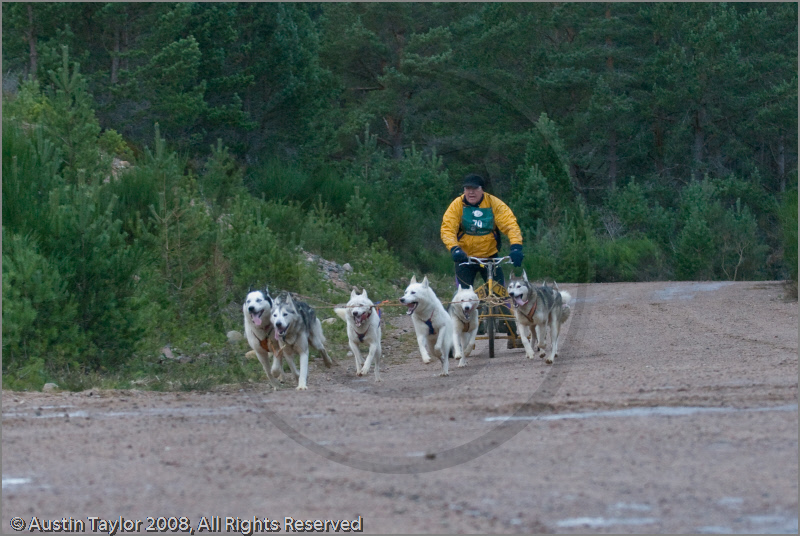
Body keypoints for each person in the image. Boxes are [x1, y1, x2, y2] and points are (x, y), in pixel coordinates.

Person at [440, 174, 524, 290]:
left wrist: (516, 247)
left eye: (475, 189)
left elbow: (510, 225)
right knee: (462, 299)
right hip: (465, 258)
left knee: (500, 297)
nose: (471, 192)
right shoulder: (457, 205)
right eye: (467, 189)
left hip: (490, 257)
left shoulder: (493, 203)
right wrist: (454, 248)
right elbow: (448, 229)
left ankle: (500, 308)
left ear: (482, 189)